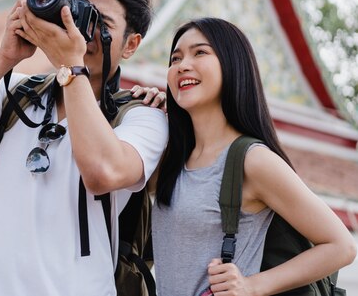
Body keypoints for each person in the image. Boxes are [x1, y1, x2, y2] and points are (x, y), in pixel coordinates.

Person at [0, 0, 169, 296]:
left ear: (131, 44)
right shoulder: (17, 93)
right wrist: (5, 56)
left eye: (101, 24)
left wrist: (71, 66)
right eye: (80, 16)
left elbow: (103, 172)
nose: (84, 33)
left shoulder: (142, 115)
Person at [151, 17, 356, 295]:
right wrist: (139, 110)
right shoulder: (172, 160)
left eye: (200, 52)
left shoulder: (252, 160)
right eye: (175, 58)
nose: (182, 65)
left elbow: (341, 245)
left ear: (232, 64)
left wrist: (251, 286)